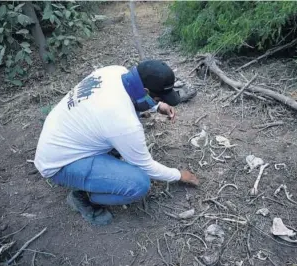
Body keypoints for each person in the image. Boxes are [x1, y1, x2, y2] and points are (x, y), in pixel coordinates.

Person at [34, 60, 199, 226]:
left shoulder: (114, 72)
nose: (158, 101)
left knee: (122, 140)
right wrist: (178, 175)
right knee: (138, 184)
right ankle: (83, 197)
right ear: (145, 91)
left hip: (61, 136)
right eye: (157, 98)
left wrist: (156, 106)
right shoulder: (123, 122)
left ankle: (94, 174)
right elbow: (146, 166)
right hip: (59, 164)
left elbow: (131, 98)